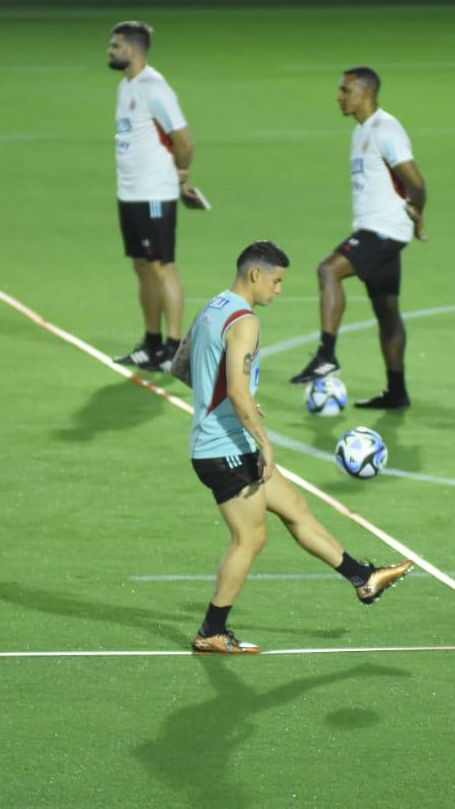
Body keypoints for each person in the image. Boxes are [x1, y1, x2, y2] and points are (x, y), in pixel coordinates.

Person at [172, 240, 413, 654]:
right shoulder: (245, 321)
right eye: (277, 281)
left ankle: (363, 579)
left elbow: (181, 364)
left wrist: (227, 399)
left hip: (227, 439)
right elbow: (236, 390)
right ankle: (211, 630)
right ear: (255, 275)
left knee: (295, 508)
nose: (279, 290)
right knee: (250, 539)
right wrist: (258, 432)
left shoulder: (214, 306)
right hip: (223, 449)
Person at [289, 66, 427, 410]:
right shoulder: (362, 131)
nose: (339, 96)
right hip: (378, 229)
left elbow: (416, 181)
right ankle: (397, 392)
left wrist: (416, 212)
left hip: (383, 230)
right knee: (387, 310)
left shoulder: (385, 129)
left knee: (328, 270)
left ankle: (326, 354)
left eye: (345, 90)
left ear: (365, 93)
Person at [106, 20, 207, 373]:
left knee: (163, 267)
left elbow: (185, 140)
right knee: (142, 265)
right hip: (130, 192)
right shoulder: (127, 86)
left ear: (132, 49)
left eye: (115, 46)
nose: (111, 51)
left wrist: (181, 175)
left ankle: (175, 348)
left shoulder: (155, 88)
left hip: (153, 193)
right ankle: (151, 343)